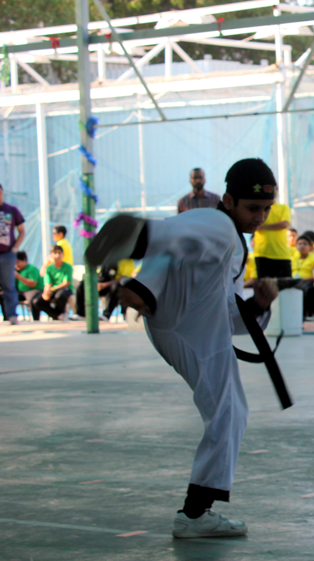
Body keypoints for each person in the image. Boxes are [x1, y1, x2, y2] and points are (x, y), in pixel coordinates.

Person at [86, 157, 289, 538]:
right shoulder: (219, 224)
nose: (260, 217)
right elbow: (182, 237)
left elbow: (228, 312)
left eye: (266, 209)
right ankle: (195, 515)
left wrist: (259, 306)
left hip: (196, 325)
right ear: (228, 200)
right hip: (187, 328)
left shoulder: (231, 247)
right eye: (253, 208)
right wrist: (145, 252)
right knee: (228, 413)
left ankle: (197, 511)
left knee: (232, 412)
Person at [0, 182, 26, 326]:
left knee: (9, 285)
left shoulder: (12, 210)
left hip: (7, 254)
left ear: (3, 194)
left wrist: (15, 249)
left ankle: (12, 315)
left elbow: (22, 231)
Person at [34, 245, 73, 321]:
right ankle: (58, 315)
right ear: (51, 255)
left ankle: (61, 313)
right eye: (55, 253)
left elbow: (66, 283)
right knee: (37, 301)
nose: (57, 255)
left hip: (65, 289)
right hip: (53, 290)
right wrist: (46, 292)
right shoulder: (49, 268)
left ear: (63, 254)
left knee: (59, 296)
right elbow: (48, 283)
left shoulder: (68, 267)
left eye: (59, 253)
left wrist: (52, 289)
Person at [253, 202, 292, 278]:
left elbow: (284, 224)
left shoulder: (283, 207)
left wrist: (263, 227)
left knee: (284, 284)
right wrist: (276, 225)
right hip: (262, 253)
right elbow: (255, 224)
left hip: (281, 254)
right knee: (264, 284)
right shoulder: (258, 207)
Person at [14, 250, 43, 320]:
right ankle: (9, 318)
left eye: (18, 262)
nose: (16, 265)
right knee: (6, 296)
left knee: (32, 300)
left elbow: (33, 284)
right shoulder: (18, 270)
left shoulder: (32, 269)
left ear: (24, 260)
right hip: (21, 292)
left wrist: (19, 277)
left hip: (33, 290)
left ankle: (36, 320)